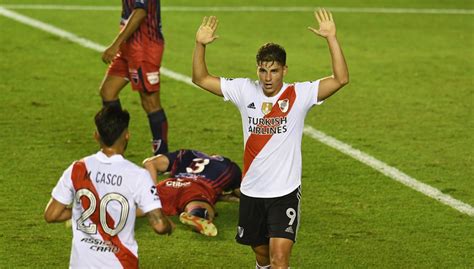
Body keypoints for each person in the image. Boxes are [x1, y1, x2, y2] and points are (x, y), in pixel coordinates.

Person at [192, 9, 349, 268]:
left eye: (274, 71)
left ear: (285, 70)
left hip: (284, 192)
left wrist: (331, 38)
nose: (267, 78)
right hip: (252, 191)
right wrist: (200, 45)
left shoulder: (299, 94)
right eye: (263, 70)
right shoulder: (244, 90)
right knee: (262, 255)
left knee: (279, 260)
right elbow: (200, 78)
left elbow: (341, 79)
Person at [44, 106, 174, 268]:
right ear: (127, 135)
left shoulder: (77, 168)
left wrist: (81, 212)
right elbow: (159, 225)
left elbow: (51, 215)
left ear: (96, 135)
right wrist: (169, 226)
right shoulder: (138, 176)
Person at [100, 0, 168, 155]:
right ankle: (116, 144)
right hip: (129, 45)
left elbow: (140, 12)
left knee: (150, 102)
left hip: (145, 47)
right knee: (108, 92)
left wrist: (116, 44)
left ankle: (162, 156)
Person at [143, 149, 242, 236]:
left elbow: (149, 163)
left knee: (140, 206)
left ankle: (130, 209)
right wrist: (224, 197)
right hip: (197, 189)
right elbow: (242, 193)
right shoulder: (230, 167)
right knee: (199, 206)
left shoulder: (186, 153)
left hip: (170, 185)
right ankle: (197, 214)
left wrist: (153, 193)